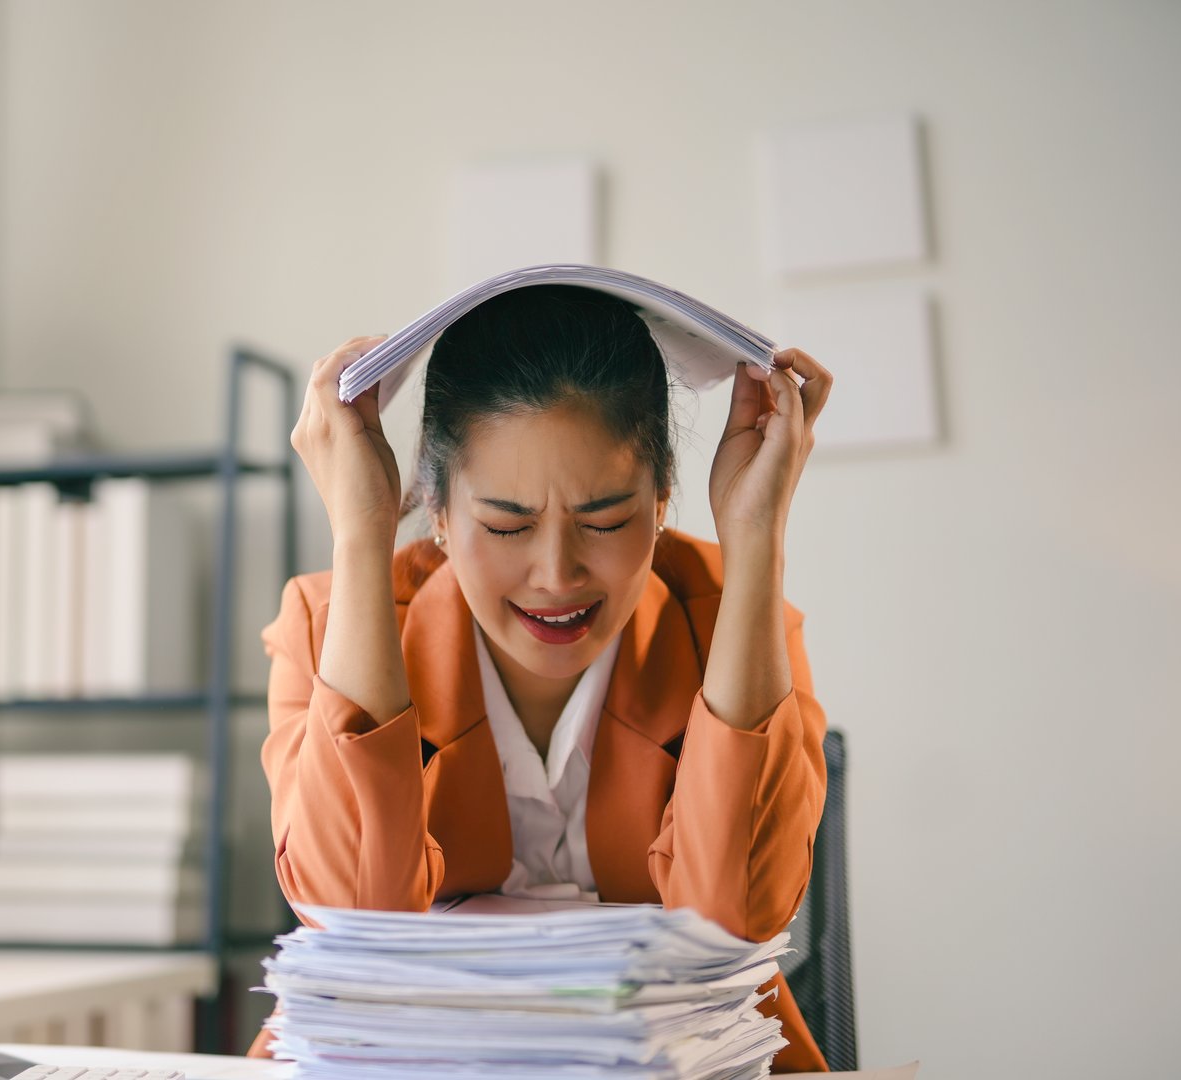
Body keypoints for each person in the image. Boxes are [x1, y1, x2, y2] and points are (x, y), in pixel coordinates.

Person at [251, 285, 834, 1071]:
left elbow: (735, 921)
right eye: (506, 525)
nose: (556, 574)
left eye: (605, 521)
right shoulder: (330, 626)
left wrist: (756, 536)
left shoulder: (735, 621)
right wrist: (360, 532)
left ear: (663, 501)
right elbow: (357, 933)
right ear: (440, 513)